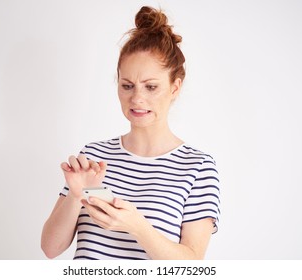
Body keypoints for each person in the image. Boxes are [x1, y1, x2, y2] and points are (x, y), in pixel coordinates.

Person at [41, 6, 220, 260]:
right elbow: (50, 248)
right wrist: (76, 194)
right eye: (127, 86)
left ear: (175, 87)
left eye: (151, 87)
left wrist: (138, 227)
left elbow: (191, 266)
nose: (137, 98)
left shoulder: (198, 167)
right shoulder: (93, 156)